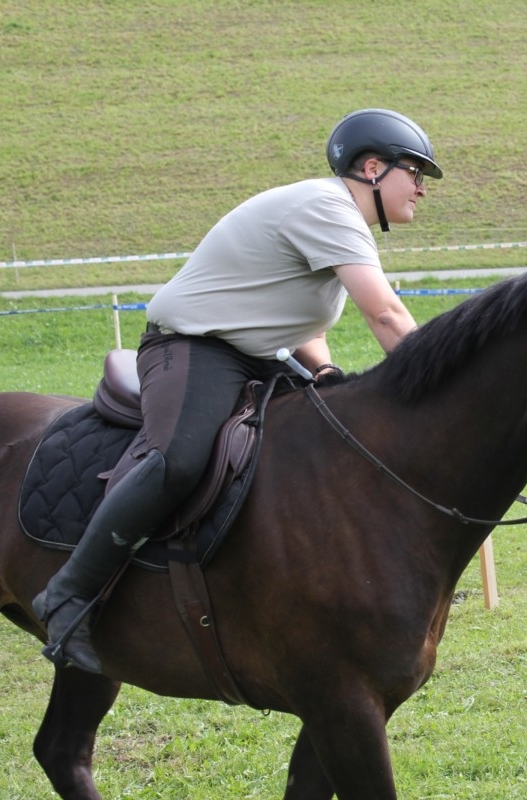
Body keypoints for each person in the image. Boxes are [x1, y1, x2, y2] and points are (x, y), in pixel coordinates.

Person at [32, 108, 443, 673]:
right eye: (415, 172)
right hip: (192, 347)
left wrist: (324, 370)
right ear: (372, 168)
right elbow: (387, 315)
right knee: (179, 460)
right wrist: (438, 387)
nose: (422, 188)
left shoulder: (335, 215)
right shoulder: (326, 207)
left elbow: (297, 316)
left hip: (258, 355)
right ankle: (67, 594)